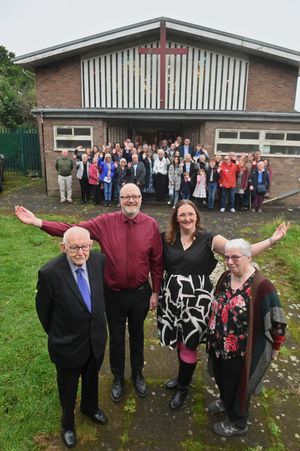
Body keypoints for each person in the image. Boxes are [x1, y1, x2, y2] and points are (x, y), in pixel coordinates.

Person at [15, 183, 163, 403]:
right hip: (111, 293)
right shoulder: (105, 223)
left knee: (138, 335)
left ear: (141, 198)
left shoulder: (151, 225)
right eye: (126, 197)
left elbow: (157, 261)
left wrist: (156, 292)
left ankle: (138, 374)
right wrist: (39, 222)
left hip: (140, 293)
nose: (131, 200)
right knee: (115, 337)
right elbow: (71, 229)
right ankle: (117, 378)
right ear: (119, 199)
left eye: (135, 196)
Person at [157, 200, 288, 410]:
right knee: (179, 341)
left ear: (197, 216)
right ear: (176, 218)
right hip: (171, 299)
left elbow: (242, 251)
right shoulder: (167, 238)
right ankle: (183, 376)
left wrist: (271, 240)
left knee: (189, 343)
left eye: (191, 214)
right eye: (182, 215)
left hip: (196, 302)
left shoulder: (209, 238)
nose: (187, 218)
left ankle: (183, 387)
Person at [206, 239, 286, 437]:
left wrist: (275, 348)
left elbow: (277, 320)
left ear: (249, 257)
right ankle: (226, 402)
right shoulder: (226, 276)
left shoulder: (262, 286)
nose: (230, 262)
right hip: (219, 344)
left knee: (239, 386)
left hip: (242, 351)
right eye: (226, 257)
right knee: (222, 378)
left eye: (235, 257)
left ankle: (238, 422)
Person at [36, 227, 107, 448]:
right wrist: (60, 335)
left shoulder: (98, 261)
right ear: (63, 247)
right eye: (74, 248)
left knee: (92, 377)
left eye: (84, 246)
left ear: (91, 246)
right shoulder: (50, 273)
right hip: (67, 344)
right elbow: (44, 312)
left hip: (95, 338)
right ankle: (67, 423)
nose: (80, 252)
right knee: (67, 387)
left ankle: (90, 407)